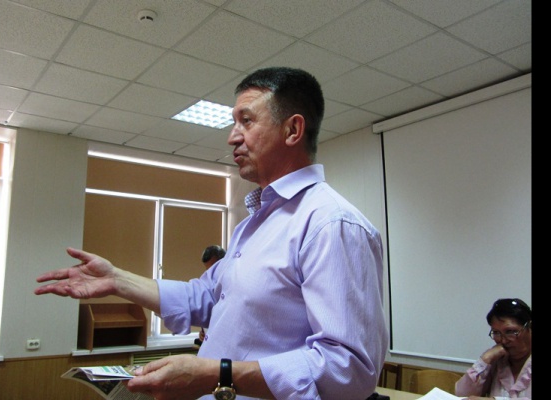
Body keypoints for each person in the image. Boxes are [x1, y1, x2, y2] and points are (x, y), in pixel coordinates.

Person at [34, 66, 388, 400]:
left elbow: (349, 369)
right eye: (234, 123)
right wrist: (117, 280)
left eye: (246, 121)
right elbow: (205, 296)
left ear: (293, 130)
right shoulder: (253, 224)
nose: (232, 137)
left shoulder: (331, 223)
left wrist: (219, 374)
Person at [454, 298, 532, 400]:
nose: (503, 340)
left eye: (510, 332)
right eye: (496, 332)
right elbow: (462, 395)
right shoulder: (498, 360)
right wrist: (485, 359)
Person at [194, 245, 227, 349]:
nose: (211, 274)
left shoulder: (235, 285)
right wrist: (203, 333)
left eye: (214, 269)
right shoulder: (208, 285)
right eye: (208, 270)